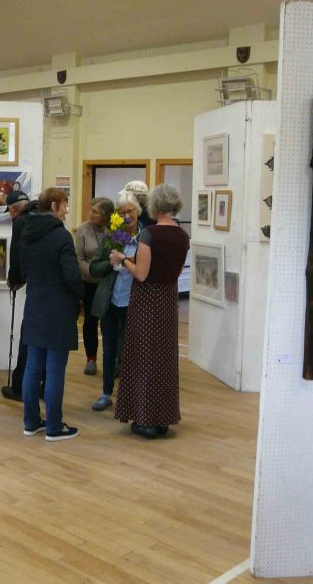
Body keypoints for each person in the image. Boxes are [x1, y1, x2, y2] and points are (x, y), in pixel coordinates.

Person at [110, 184, 189, 438]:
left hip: (146, 301)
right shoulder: (183, 235)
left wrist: (123, 260)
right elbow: (176, 271)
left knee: (143, 358)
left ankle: (145, 419)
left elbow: (142, 274)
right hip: (168, 300)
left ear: (153, 206)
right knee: (164, 360)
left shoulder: (149, 234)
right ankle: (163, 418)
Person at [20, 187, 84, 441]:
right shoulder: (61, 236)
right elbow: (72, 275)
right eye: (65, 205)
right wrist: (81, 296)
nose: (67, 211)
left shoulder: (27, 232)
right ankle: (54, 427)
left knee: (33, 366)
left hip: (34, 304)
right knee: (55, 368)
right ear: (55, 206)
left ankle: (30, 422)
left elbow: (22, 268)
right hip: (58, 309)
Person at [87, 192, 142, 412]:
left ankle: (130, 395)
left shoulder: (146, 238)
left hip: (134, 302)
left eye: (130, 211)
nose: (127, 216)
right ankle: (106, 392)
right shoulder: (114, 236)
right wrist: (110, 263)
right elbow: (94, 268)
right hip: (111, 302)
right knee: (109, 349)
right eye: (122, 212)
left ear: (138, 212)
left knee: (131, 351)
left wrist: (125, 261)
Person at [0, 190, 38, 401]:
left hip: (36, 288)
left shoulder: (21, 222)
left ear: (13, 210)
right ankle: (41, 385)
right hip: (53, 290)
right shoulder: (44, 216)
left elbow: (16, 254)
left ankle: (19, 387)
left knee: (27, 338)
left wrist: (15, 280)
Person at [74, 197, 114, 376]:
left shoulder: (115, 230)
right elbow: (79, 259)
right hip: (89, 283)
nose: (91, 214)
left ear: (106, 214)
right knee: (90, 322)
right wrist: (93, 271)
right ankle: (91, 359)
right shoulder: (83, 230)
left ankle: (111, 359)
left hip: (108, 283)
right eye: (91, 210)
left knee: (109, 323)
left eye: (95, 212)